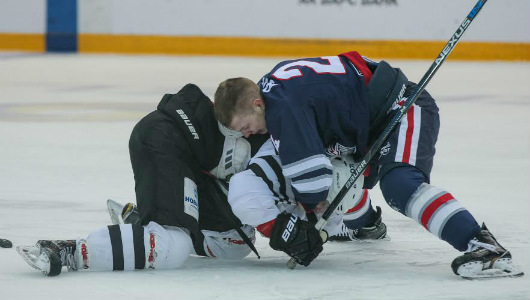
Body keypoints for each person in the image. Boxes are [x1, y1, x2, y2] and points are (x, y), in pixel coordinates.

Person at [213, 51, 524, 278]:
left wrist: (306, 223)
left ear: (257, 104)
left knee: (400, 186)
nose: (247, 134)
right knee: (335, 177)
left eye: (245, 126)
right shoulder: (272, 90)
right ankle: (366, 224)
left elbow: (312, 183)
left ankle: (486, 248)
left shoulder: (282, 109)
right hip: (363, 126)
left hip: (402, 108)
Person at [17, 84, 268, 276]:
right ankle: (70, 250)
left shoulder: (266, 127)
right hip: (164, 142)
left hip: (192, 161)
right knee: (172, 247)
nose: (249, 132)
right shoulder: (255, 123)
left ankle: (138, 223)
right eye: (245, 127)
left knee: (233, 246)